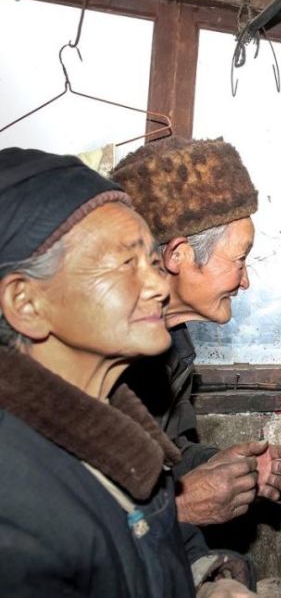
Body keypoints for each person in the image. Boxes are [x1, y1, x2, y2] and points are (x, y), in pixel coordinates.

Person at [0, 147, 246, 597]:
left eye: (152, 263)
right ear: (26, 304)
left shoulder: (117, 429)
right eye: (123, 263)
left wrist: (207, 585)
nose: (157, 285)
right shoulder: (15, 499)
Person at [111, 139, 281, 551]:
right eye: (240, 259)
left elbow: (168, 453)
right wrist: (178, 507)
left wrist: (223, 469)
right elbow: (57, 520)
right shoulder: (86, 355)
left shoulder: (170, 343)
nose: (245, 281)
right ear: (178, 255)